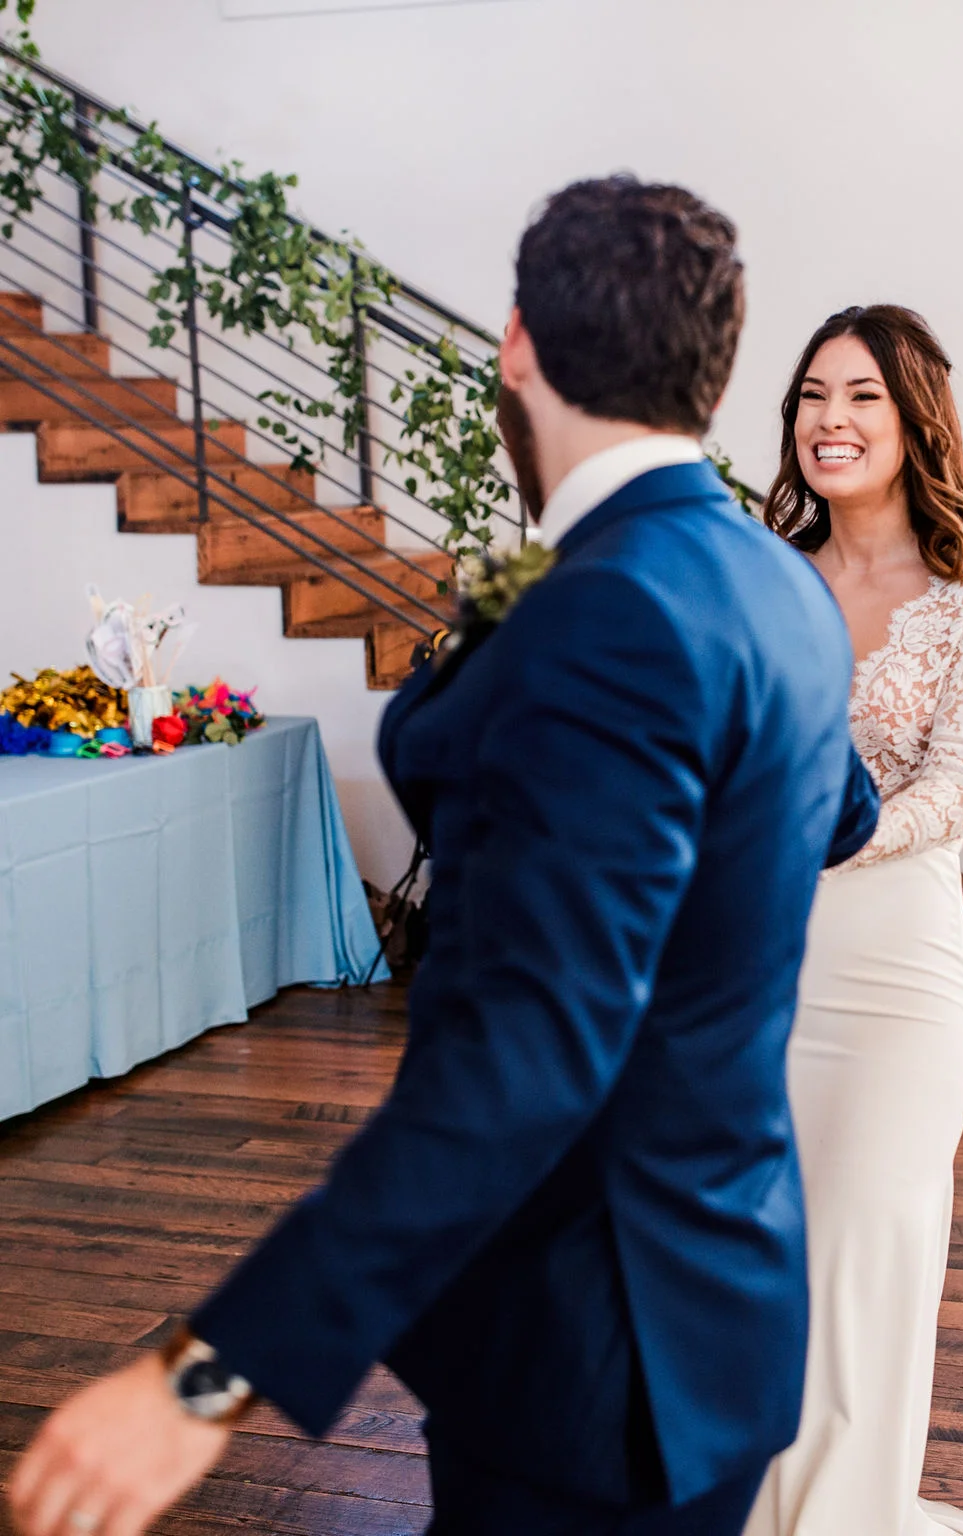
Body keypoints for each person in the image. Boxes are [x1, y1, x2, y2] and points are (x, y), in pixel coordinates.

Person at [8, 178, 879, 1536]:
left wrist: (198, 1381)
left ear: (516, 345)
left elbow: (522, 1064)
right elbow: (844, 814)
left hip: (587, 1362)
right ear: (714, 369)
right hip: (726, 1318)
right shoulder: (773, 584)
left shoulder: (605, 617)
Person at [743, 304, 963, 1536]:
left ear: (913, 418)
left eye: (859, 396)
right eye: (810, 396)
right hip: (751, 966)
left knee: (861, 1256)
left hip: (897, 977)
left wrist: (839, 832)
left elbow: (962, 782)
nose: (829, 421)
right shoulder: (756, 576)